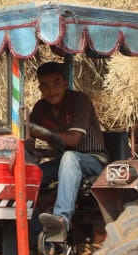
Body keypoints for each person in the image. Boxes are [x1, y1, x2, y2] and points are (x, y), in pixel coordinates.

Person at [28, 60, 107, 238]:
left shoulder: (80, 100)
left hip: (92, 160)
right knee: (29, 175)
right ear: (40, 89)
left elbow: (73, 140)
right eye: (45, 86)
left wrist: (42, 133)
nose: (51, 90)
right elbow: (29, 137)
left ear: (65, 83)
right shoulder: (40, 108)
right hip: (60, 162)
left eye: (56, 83)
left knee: (70, 157)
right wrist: (31, 151)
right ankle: (39, 239)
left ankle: (61, 220)